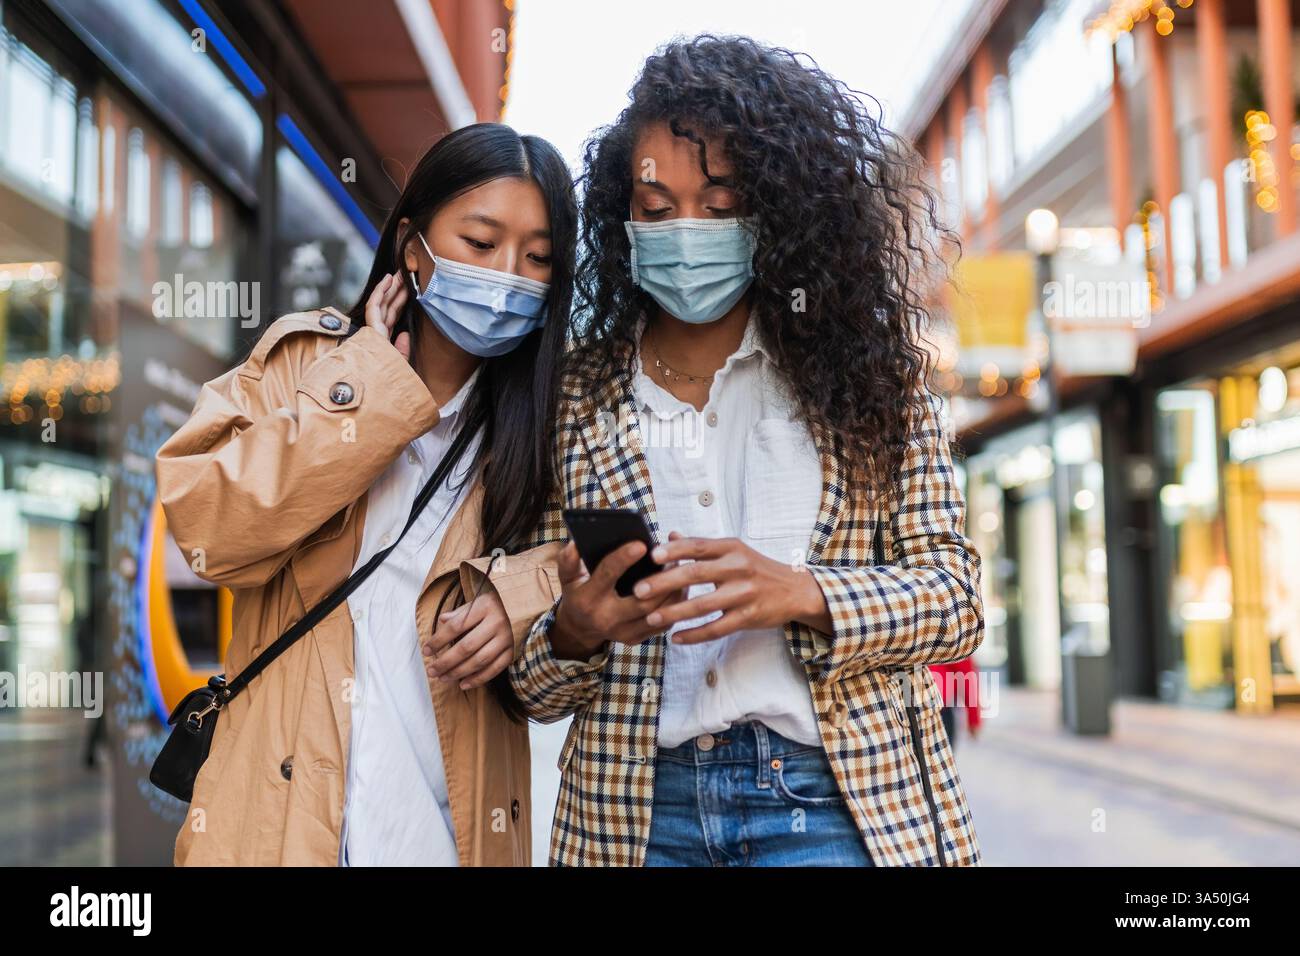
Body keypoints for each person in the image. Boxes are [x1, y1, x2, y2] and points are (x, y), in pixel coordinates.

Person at [510, 36, 985, 867]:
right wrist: (575, 630)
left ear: (779, 214)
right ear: (625, 221)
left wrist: (803, 593)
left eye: (720, 207)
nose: (685, 232)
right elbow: (530, 687)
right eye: (657, 212)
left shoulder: (868, 379)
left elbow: (955, 603)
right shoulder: (573, 395)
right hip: (637, 817)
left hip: (838, 805)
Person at [155, 123, 576, 866]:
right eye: (481, 244)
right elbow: (206, 533)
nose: (508, 277)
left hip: (444, 840)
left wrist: (521, 599)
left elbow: (578, 589)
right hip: (277, 836)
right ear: (413, 249)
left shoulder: (549, 428)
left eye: (537, 259)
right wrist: (364, 397)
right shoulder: (304, 363)